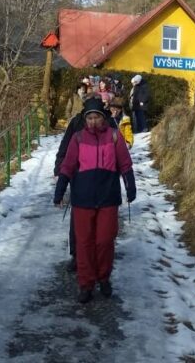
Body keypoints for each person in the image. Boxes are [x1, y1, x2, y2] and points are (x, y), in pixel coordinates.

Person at [54, 98, 135, 304]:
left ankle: (104, 278)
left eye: (96, 117)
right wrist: (60, 188)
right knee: (84, 243)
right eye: (89, 118)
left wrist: (130, 185)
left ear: (103, 118)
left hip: (108, 197)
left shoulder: (114, 137)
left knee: (105, 241)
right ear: (85, 119)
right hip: (83, 198)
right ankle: (86, 284)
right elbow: (68, 165)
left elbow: (125, 163)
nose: (92, 121)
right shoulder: (78, 138)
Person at [54, 96, 117, 272]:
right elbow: (66, 145)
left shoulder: (110, 123)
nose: (93, 119)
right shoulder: (77, 122)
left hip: (105, 178)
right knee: (78, 217)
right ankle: (77, 255)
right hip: (80, 175)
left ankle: (99, 255)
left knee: (103, 220)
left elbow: (118, 148)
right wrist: (59, 167)